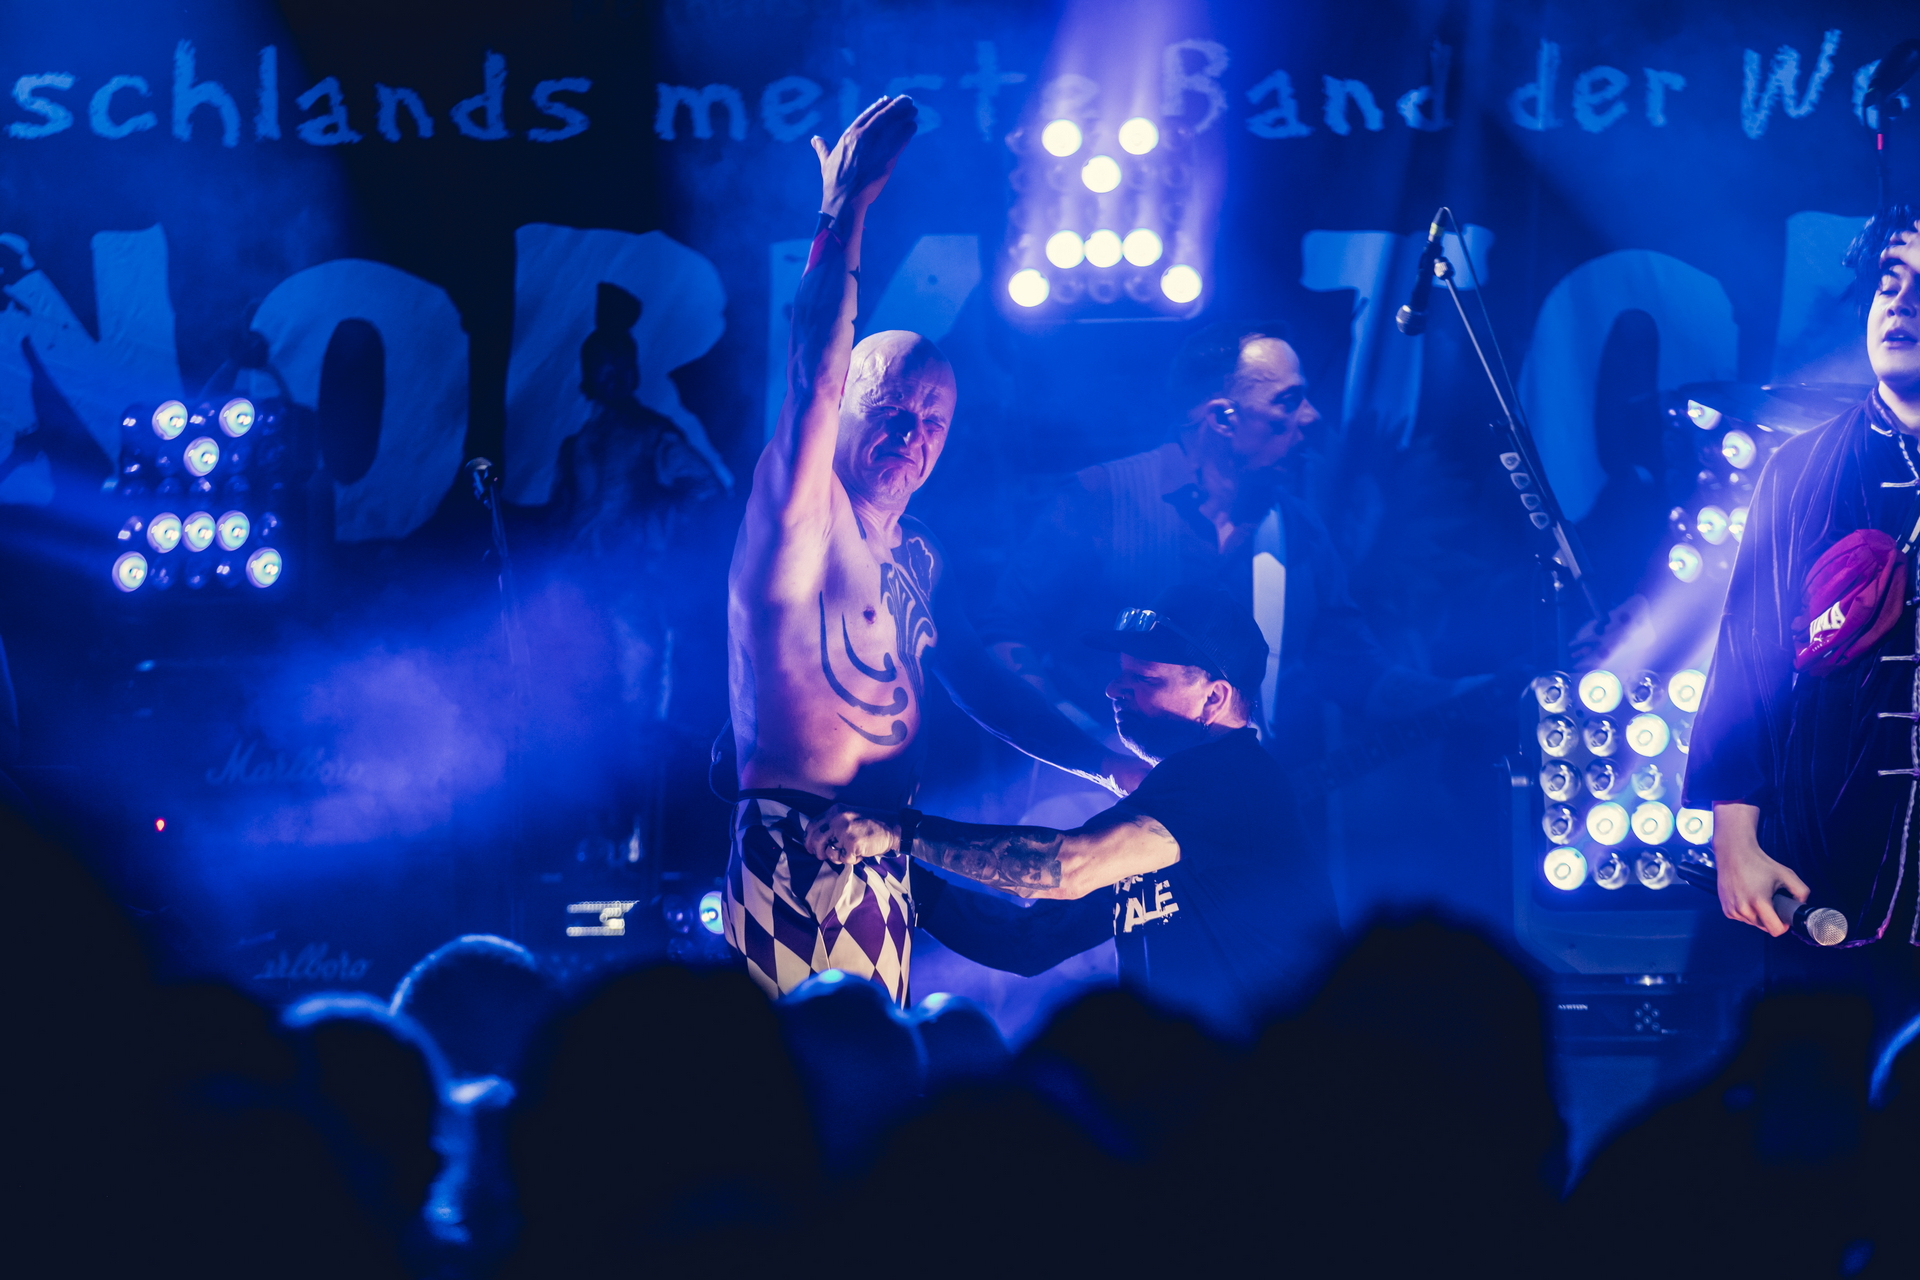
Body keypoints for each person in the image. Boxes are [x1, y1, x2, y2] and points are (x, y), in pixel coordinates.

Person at [722, 95, 1141, 1004]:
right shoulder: (801, 509)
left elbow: (980, 683)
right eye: (891, 410)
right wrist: (844, 212)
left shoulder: (921, 554)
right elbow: (814, 371)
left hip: (884, 846)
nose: (912, 436)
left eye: (933, 422)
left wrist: (1103, 759)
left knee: (880, 1062)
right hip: (793, 839)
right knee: (799, 1072)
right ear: (847, 411)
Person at [804, 586, 1339, 1039]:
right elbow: (1026, 941)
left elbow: (1064, 867)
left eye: (1146, 679)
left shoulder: (1233, 776)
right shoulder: (1162, 816)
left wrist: (899, 833)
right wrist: (898, 876)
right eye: (1121, 673)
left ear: (1215, 698)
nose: (1113, 689)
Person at [976, 320, 1473, 792]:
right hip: (1092, 799)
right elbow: (1005, 636)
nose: (1311, 417)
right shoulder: (1101, 497)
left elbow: (1360, 676)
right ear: (1222, 418)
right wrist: (1094, 756)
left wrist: (1467, 693)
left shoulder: (1300, 532)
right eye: (1288, 401)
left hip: (1236, 817)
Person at [1687, 207, 1920, 1024]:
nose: (1901, 305)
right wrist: (1734, 841)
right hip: (1828, 865)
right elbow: (1746, 665)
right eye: (1889, 283)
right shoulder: (1800, 469)